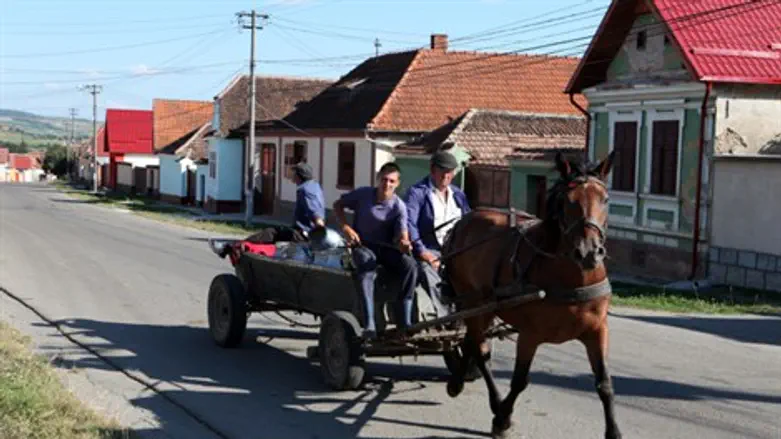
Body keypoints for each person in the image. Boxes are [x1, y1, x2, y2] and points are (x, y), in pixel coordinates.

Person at [333, 162, 417, 339]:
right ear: (379, 179)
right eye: (385, 180)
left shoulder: (399, 206)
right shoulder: (363, 195)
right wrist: (346, 228)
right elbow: (338, 205)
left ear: (397, 183)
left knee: (410, 266)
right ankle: (370, 322)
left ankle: (405, 321)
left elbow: (402, 236)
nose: (387, 184)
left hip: (386, 249)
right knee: (367, 266)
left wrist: (404, 244)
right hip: (363, 246)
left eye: (392, 181)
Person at [403, 150, 471, 318]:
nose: (446, 175)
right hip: (430, 248)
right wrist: (422, 252)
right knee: (429, 272)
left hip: (455, 249)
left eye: (450, 172)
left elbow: (468, 220)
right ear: (432, 170)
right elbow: (410, 223)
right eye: (442, 171)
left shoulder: (458, 195)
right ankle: (447, 317)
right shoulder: (417, 193)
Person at [246, 162, 325, 244]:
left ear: (299, 176)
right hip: (302, 232)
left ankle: (243, 245)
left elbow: (315, 212)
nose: (292, 175)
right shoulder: (314, 186)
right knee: (274, 233)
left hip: (302, 234)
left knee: (270, 233)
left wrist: (321, 232)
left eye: (294, 173)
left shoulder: (306, 190)